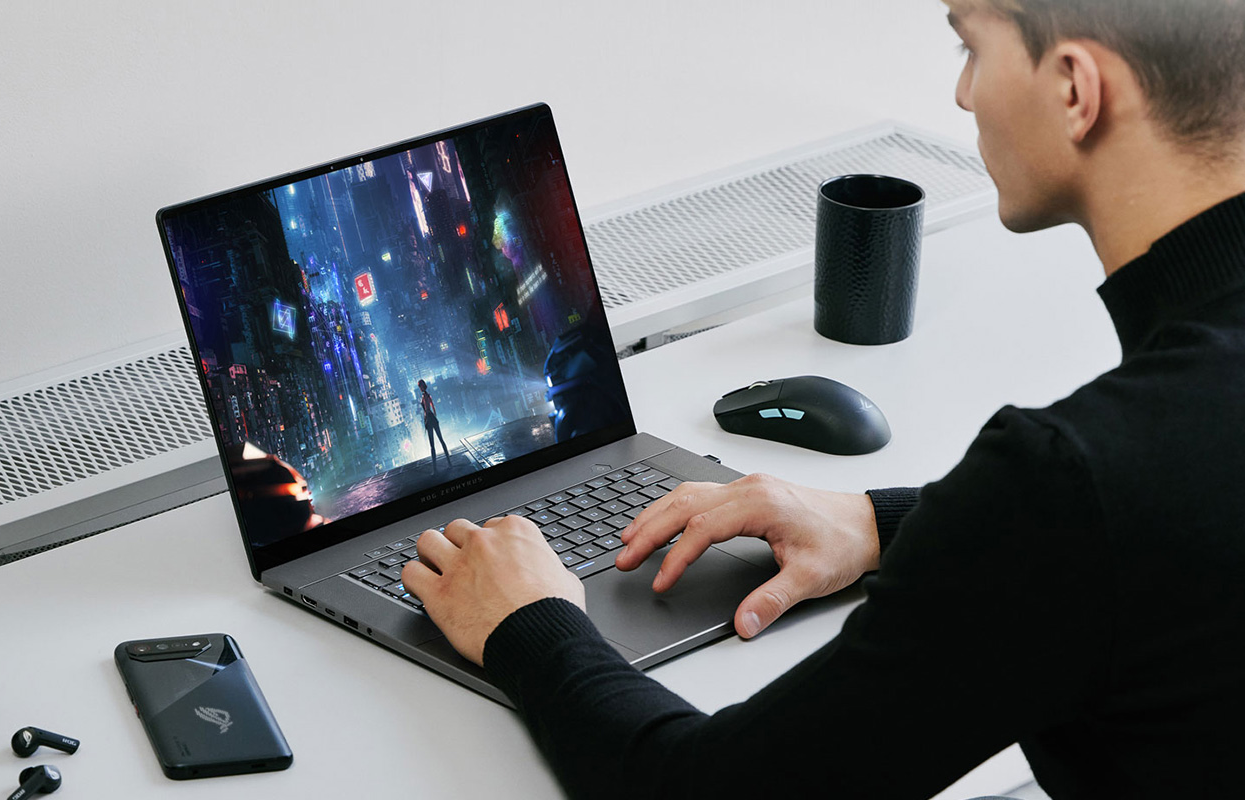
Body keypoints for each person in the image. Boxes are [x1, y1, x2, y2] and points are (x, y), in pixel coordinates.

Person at [402, 1, 1245, 796]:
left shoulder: (1068, 489)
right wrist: (884, 521)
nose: (960, 93)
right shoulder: (1126, 473)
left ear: (1073, 89)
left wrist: (530, 625)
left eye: (970, 47)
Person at [417, 378, 451, 471]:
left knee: (434, 444)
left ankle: (435, 469)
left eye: (420, 386)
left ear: (422, 386)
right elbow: (433, 408)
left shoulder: (425, 396)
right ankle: (448, 463)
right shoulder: (427, 396)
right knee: (440, 441)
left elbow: (428, 409)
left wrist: (428, 418)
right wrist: (433, 417)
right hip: (432, 419)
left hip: (430, 419)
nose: (420, 388)